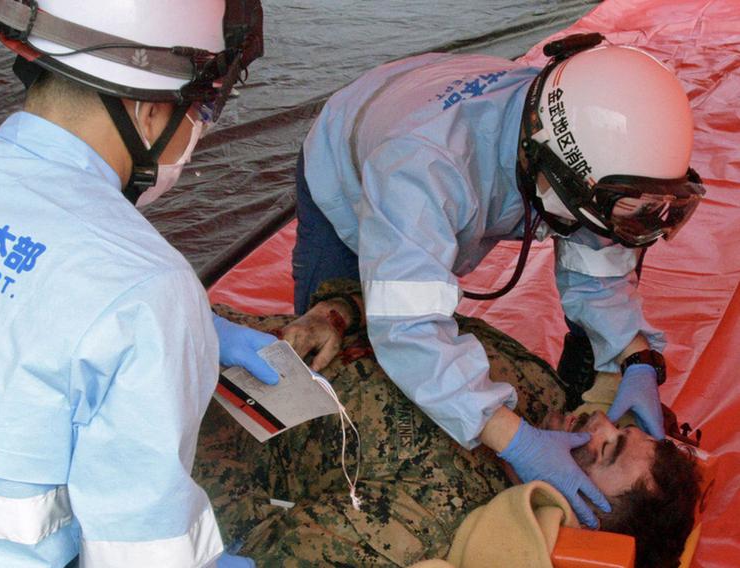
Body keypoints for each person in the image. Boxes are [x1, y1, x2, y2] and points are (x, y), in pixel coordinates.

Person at [0, 1, 277, 566]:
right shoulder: (146, 288)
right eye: (200, 113)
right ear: (146, 110)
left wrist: (185, 331)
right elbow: (140, 552)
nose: (197, 135)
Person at [284, 33, 705, 527]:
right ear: (553, 175)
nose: (598, 426)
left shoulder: (579, 133)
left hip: (426, 103)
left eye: (603, 449)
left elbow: (598, 268)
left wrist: (637, 358)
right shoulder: (422, 168)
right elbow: (408, 326)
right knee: (305, 369)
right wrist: (515, 439)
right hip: (349, 161)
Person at [197, 290, 701, 568]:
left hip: (169, 411)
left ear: (568, 511)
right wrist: (336, 314)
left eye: (598, 454)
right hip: (203, 320)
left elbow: (253, 544)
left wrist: (203, 437)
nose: (597, 422)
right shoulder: (536, 389)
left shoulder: (423, 517)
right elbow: (409, 308)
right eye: (620, 428)